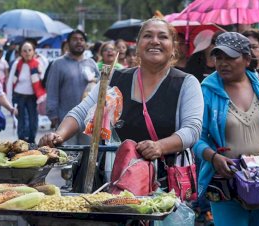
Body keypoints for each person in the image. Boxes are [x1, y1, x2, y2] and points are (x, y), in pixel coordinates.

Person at [40, 18, 204, 192]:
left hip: (164, 187)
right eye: (148, 36)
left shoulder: (186, 83)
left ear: (173, 48)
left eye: (162, 37)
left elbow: (192, 130)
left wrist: (160, 146)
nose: (155, 41)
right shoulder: (115, 78)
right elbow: (82, 112)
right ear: (138, 45)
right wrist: (59, 135)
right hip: (115, 183)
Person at [193, 32, 259, 226]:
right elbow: (195, 137)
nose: (223, 63)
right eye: (219, 57)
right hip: (227, 184)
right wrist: (214, 157)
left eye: (230, 57)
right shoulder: (206, 91)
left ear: (246, 58)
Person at [46, 29, 100, 144]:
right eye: (74, 39)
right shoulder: (58, 64)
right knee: (69, 155)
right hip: (65, 119)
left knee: (87, 155)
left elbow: (100, 87)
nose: (79, 42)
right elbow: (52, 90)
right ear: (68, 43)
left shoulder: (91, 63)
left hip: (89, 120)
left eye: (81, 40)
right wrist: (53, 114)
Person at [6, 41, 46, 144]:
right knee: (22, 121)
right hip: (19, 96)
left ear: (33, 52)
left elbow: (44, 78)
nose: (27, 52)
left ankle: (32, 142)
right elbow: (10, 81)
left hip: (33, 97)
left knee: (33, 121)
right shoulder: (17, 64)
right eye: (24, 50)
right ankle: (21, 143)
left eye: (29, 50)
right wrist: (9, 100)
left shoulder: (38, 63)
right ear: (20, 52)